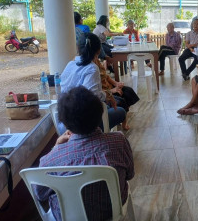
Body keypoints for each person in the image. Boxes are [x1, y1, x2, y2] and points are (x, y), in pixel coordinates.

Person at [35, 86, 134, 221]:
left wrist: (56, 147)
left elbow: (40, 194)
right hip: (112, 211)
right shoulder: (119, 141)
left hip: (67, 216)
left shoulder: (51, 160)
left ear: (65, 123)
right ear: (100, 113)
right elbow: (130, 174)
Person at [60, 33, 127, 132]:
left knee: (107, 106)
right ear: (99, 50)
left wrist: (107, 94)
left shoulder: (70, 65)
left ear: (78, 48)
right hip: (84, 124)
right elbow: (92, 96)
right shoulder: (92, 68)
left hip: (66, 122)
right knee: (121, 112)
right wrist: (108, 94)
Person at [94, 57, 140, 130]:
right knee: (120, 101)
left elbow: (106, 77)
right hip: (104, 93)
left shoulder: (97, 61)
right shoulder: (90, 69)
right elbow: (96, 91)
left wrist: (116, 83)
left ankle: (124, 113)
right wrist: (111, 91)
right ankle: (123, 122)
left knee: (128, 91)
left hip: (109, 88)